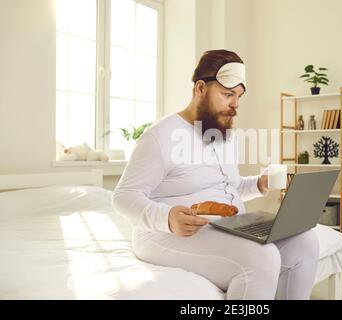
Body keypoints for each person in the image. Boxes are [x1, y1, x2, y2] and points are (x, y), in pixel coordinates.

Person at [112, 49, 320, 300]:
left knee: (304, 241)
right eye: (227, 94)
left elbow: (226, 189)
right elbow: (123, 196)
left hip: (224, 226)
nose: (235, 104)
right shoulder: (160, 136)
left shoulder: (221, 133)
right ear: (200, 88)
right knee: (261, 257)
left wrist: (258, 184)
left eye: (239, 96)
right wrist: (167, 218)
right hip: (165, 233)